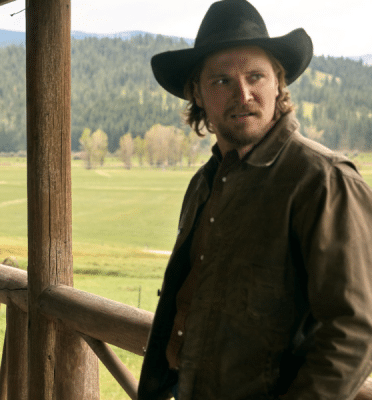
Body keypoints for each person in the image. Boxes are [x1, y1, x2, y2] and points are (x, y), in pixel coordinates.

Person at [138, 1, 372, 399]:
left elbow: (354, 331)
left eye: (255, 76)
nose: (242, 94)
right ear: (197, 92)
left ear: (279, 83)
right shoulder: (205, 183)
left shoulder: (323, 181)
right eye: (221, 81)